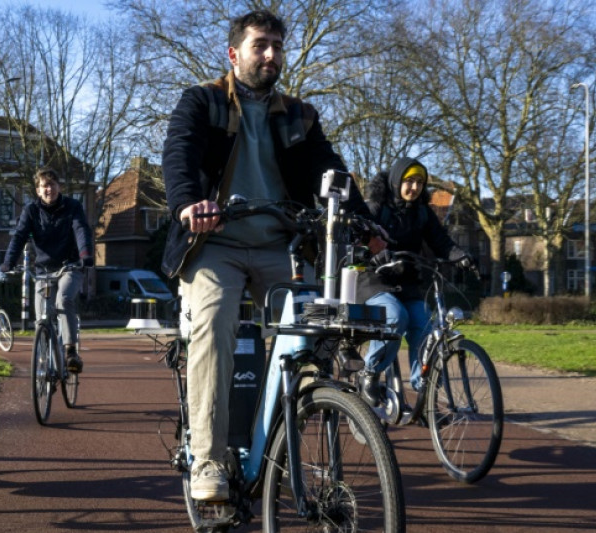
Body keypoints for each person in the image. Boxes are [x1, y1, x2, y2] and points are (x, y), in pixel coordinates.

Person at [161, 10, 380, 502]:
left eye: (278, 46)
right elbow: (180, 153)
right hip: (213, 243)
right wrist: (186, 204)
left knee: (317, 335)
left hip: (278, 247)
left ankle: (279, 443)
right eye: (261, 45)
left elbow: (331, 169)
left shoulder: (299, 114)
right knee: (214, 332)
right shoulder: (204, 101)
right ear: (234, 53)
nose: (271, 55)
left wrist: (369, 225)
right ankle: (208, 462)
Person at [355, 157, 473, 407]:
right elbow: (357, 238)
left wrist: (460, 256)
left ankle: (425, 395)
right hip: (373, 281)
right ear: (397, 181)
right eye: (409, 181)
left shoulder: (422, 212)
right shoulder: (376, 208)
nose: (415, 188)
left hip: (407, 281)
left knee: (425, 327)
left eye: (420, 182)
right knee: (396, 317)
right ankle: (370, 372)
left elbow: (441, 241)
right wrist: (375, 253)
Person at [0, 167, 94, 373]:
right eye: (44, 186)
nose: (48, 189)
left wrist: (85, 254)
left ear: (59, 186)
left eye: (52, 184)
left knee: (64, 300)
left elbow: (81, 230)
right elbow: (19, 236)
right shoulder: (31, 210)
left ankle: (70, 352)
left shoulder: (73, 207)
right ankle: (43, 360)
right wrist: (8, 262)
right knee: (41, 316)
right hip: (43, 269)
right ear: (37, 190)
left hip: (70, 265)